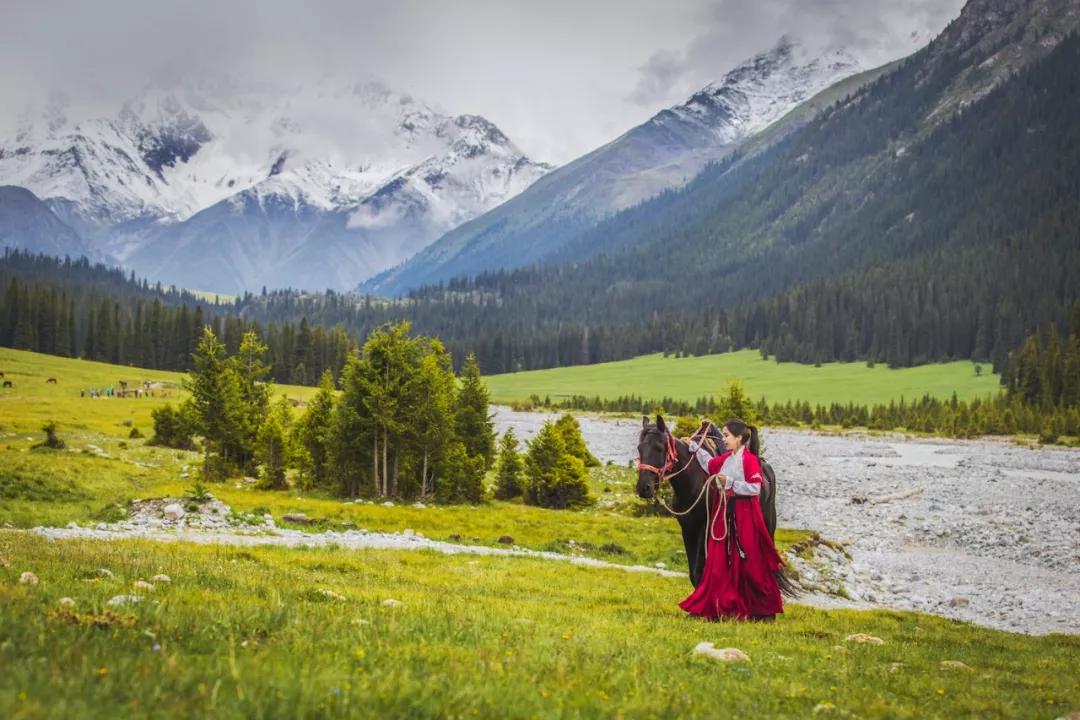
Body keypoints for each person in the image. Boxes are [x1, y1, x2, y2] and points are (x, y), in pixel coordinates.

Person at [679, 418, 784, 621]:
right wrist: (692, 445)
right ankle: (714, 606)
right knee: (717, 562)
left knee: (751, 563)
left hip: (744, 515)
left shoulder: (750, 460)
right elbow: (709, 464)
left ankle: (763, 610)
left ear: (739, 438)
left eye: (726, 435)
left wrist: (730, 482)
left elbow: (755, 488)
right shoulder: (726, 458)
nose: (723, 439)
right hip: (724, 515)